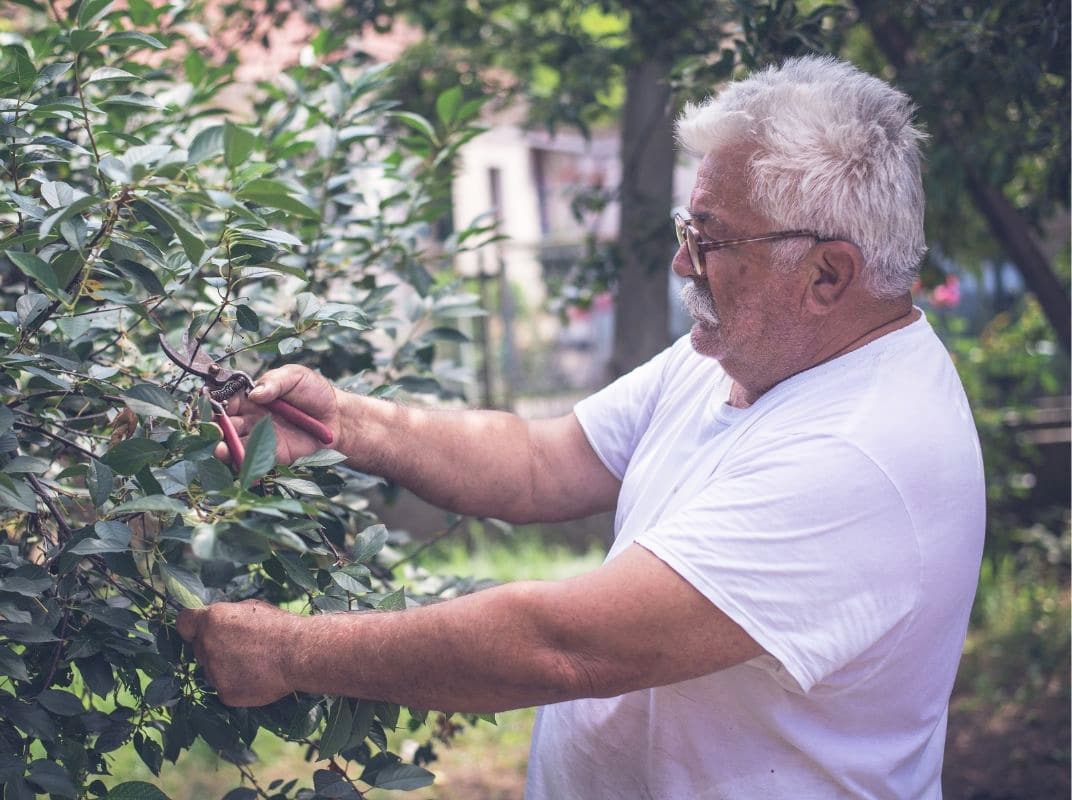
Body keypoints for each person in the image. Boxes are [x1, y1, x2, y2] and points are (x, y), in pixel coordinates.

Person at [176, 56, 985, 798]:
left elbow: (562, 647)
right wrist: (346, 419)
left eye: (713, 239)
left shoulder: (860, 455)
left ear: (828, 274)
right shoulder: (739, 358)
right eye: (687, 230)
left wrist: (288, 652)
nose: (683, 265)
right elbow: (540, 460)